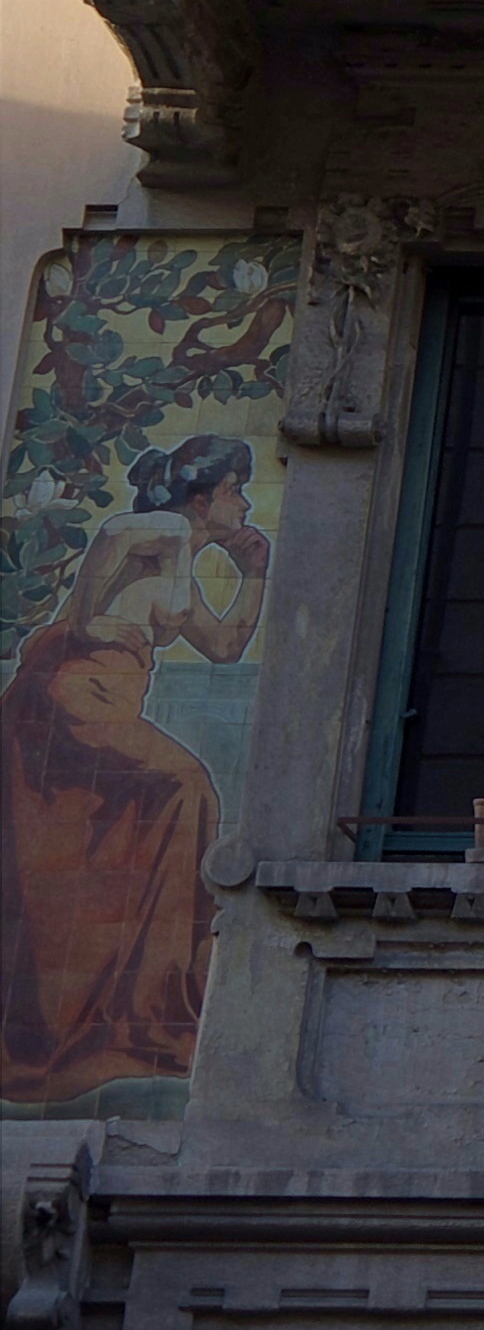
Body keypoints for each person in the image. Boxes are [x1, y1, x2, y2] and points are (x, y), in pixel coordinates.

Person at [0, 435, 270, 1103]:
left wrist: (256, 571)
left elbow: (228, 647)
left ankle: (147, 996)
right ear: (204, 495)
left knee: (184, 797)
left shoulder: (182, 557)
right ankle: (154, 1000)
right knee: (185, 785)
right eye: (237, 487)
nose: (246, 501)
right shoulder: (157, 530)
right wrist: (98, 611)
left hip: (109, 699)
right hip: (72, 693)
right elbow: (105, 560)